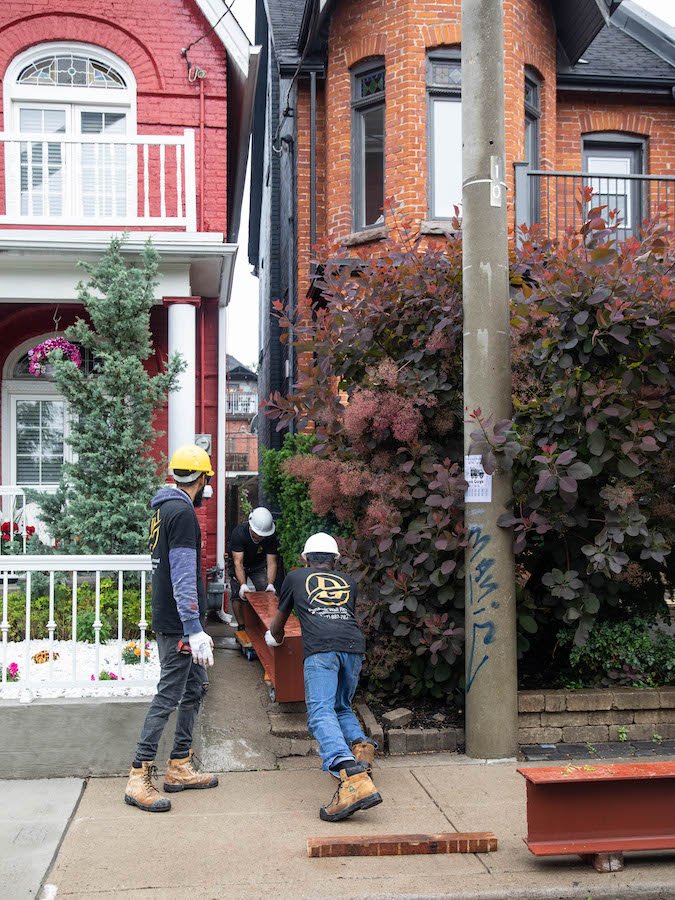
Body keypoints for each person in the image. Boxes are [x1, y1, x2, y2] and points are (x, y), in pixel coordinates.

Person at [124, 444, 219, 813]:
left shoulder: (164, 510)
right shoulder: (181, 512)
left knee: (193, 689)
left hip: (174, 619)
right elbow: (181, 575)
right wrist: (193, 628)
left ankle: (179, 765)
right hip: (179, 624)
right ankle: (138, 775)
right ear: (204, 478)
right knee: (168, 696)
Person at [266, 532, 381, 822]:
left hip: (321, 650)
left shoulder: (294, 577)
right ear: (335, 560)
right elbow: (338, 614)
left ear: (304, 558)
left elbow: (279, 622)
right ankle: (360, 747)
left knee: (319, 713)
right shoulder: (349, 582)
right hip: (353, 647)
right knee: (340, 706)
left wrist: (275, 639)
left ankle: (351, 777)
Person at [227, 507, 279, 630]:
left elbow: (272, 562)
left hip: (257, 565)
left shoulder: (271, 536)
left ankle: (266, 624)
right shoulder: (239, 533)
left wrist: (270, 584)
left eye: (262, 536)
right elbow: (237, 562)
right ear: (251, 527)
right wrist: (243, 585)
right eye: (257, 535)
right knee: (237, 594)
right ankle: (241, 626)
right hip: (240, 563)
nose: (259, 537)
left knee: (265, 590)